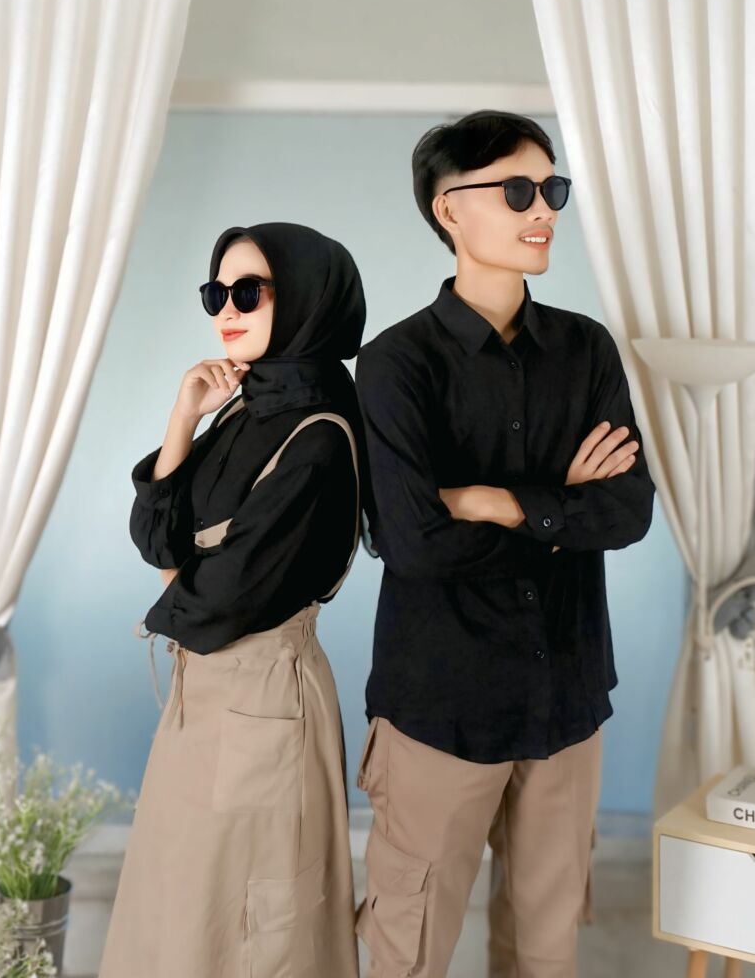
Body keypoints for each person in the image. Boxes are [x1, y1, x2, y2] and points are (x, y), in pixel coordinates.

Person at [352, 111, 657, 978]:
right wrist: (561, 513)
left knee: (545, 954)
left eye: (552, 189)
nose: (545, 210)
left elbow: (628, 512)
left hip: (567, 701)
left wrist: (493, 502)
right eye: (519, 190)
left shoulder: (586, 349)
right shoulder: (395, 364)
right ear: (450, 209)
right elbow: (412, 544)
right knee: (410, 950)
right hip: (439, 708)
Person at [98, 221, 372, 978]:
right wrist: (183, 415)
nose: (226, 308)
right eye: (215, 292)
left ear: (307, 299)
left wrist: (182, 576)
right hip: (206, 697)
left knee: (256, 928)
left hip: (263, 698)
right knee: (184, 908)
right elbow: (156, 540)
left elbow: (212, 606)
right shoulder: (243, 409)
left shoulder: (317, 438)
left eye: (248, 291)